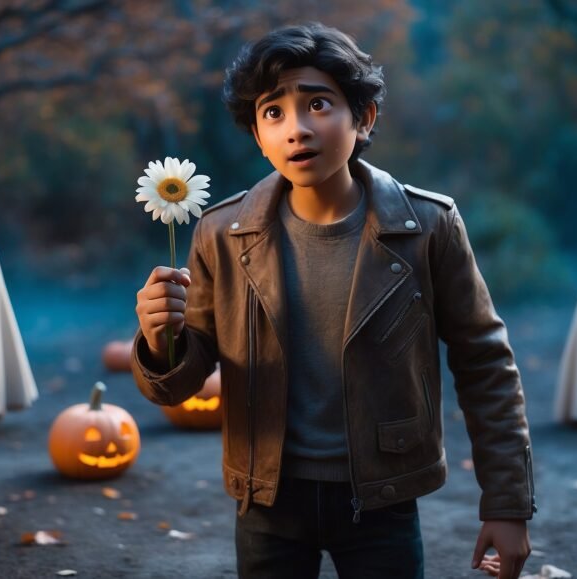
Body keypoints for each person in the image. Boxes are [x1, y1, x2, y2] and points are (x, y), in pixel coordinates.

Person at [132, 22, 534, 579]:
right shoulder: (219, 233)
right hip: (267, 499)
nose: (296, 129)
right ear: (256, 133)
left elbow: (485, 362)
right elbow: (182, 383)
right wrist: (160, 343)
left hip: (382, 497)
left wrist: (508, 505)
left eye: (318, 103)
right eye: (273, 112)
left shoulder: (428, 226)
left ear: (363, 118)